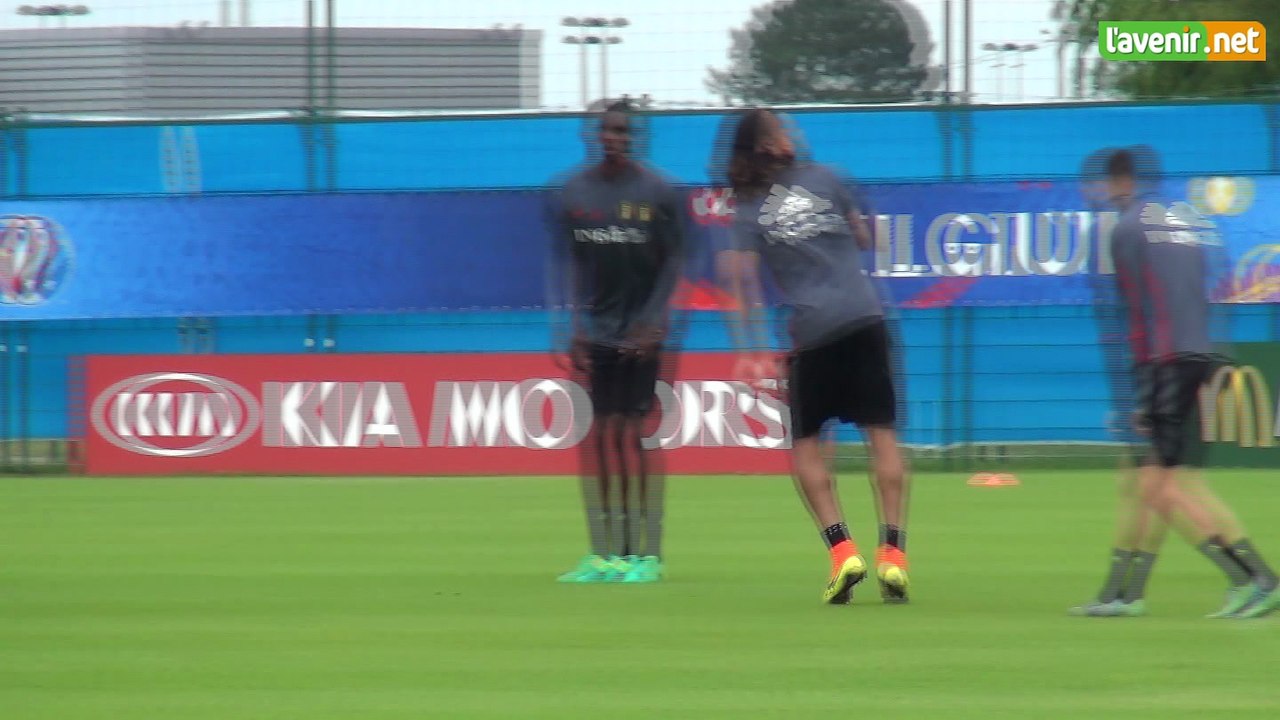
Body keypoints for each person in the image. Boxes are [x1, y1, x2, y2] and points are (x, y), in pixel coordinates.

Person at [1072, 146, 1279, 618]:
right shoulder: (1186, 222)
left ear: (1117, 182)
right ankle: (1123, 593)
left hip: (1165, 361)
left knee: (1166, 486)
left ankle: (1255, 577)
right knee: (1143, 479)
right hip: (1201, 354)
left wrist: (1141, 390)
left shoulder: (1126, 229)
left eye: (1095, 184)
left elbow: (1138, 310)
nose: (1092, 193)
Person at [717, 108, 910, 605]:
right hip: (865, 319)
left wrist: (750, 351)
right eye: (783, 129)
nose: (793, 133)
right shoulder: (830, 177)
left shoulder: (747, 209)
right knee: (882, 438)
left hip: (813, 333)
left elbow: (739, 281)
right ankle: (893, 554)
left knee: (805, 447)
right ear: (769, 144)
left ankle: (843, 552)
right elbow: (865, 238)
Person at [546, 99, 685, 584]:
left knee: (634, 435)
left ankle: (645, 554)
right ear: (593, 135)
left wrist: (653, 322)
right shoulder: (574, 192)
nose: (614, 139)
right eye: (607, 130)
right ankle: (605, 553)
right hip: (599, 330)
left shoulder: (659, 191)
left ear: (635, 137)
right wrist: (571, 326)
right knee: (602, 435)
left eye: (623, 132)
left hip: (643, 332)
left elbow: (674, 262)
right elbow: (568, 264)